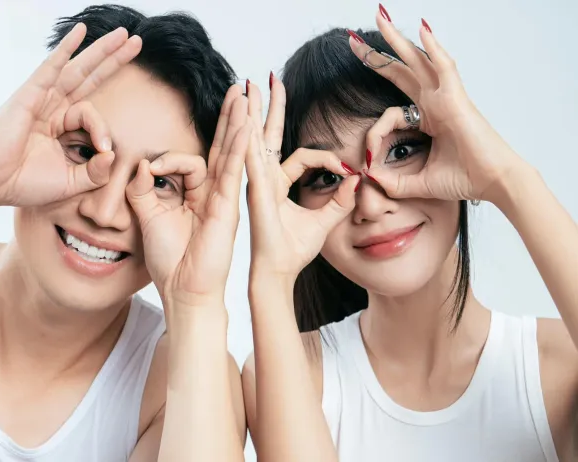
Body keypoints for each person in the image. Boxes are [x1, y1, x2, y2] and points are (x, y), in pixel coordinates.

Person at [0, 5, 249, 461]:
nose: (105, 213)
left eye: (159, 183)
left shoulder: (184, 380)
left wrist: (196, 303)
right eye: (83, 151)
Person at [242, 4, 578, 462]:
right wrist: (270, 275)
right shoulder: (294, 375)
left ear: (456, 149)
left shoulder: (561, 366)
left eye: (400, 150)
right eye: (327, 177)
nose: (370, 204)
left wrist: (506, 178)